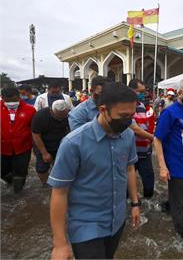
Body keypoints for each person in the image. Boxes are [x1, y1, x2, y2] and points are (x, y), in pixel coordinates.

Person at [48, 82, 141, 260]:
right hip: (86, 225)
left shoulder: (128, 136)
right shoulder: (73, 143)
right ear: (103, 109)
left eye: (131, 115)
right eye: (123, 115)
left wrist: (135, 204)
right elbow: (59, 192)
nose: (128, 121)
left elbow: (129, 169)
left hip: (117, 220)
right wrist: (60, 243)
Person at [154, 79, 183, 238]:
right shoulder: (170, 112)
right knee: (179, 205)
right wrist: (162, 166)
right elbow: (157, 139)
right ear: (180, 93)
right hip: (176, 165)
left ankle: (166, 206)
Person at [1, 87, 36, 192]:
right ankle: (9, 181)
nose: (11, 103)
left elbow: (35, 130)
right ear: (2, 98)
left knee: (20, 173)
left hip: (23, 148)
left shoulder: (30, 110)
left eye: (14, 100)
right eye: (8, 101)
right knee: (2, 171)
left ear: (19, 97)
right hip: (2, 148)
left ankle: (18, 193)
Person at [31, 100, 70, 185]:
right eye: (58, 116)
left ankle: (58, 183)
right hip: (43, 143)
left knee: (62, 165)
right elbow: (36, 135)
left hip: (60, 143)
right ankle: (45, 184)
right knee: (42, 167)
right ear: (52, 111)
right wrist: (44, 153)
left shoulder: (69, 115)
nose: (61, 118)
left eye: (63, 115)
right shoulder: (40, 116)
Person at [128, 79, 155, 198]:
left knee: (149, 183)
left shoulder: (142, 106)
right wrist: (155, 138)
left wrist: (150, 143)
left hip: (145, 152)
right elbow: (135, 129)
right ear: (131, 91)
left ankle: (148, 206)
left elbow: (145, 126)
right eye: (140, 92)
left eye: (144, 91)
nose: (143, 94)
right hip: (130, 154)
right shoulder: (125, 107)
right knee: (127, 187)